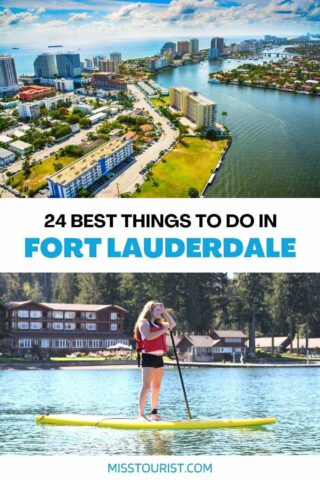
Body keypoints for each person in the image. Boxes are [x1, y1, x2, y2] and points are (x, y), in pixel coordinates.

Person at [134, 301, 176, 422]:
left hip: (159, 358)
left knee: (156, 386)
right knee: (146, 386)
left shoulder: (158, 324)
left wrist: (164, 311)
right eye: (157, 310)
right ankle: (141, 415)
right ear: (150, 311)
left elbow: (172, 323)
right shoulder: (143, 323)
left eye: (160, 310)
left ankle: (154, 413)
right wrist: (165, 329)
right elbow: (149, 336)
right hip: (148, 357)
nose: (160, 313)